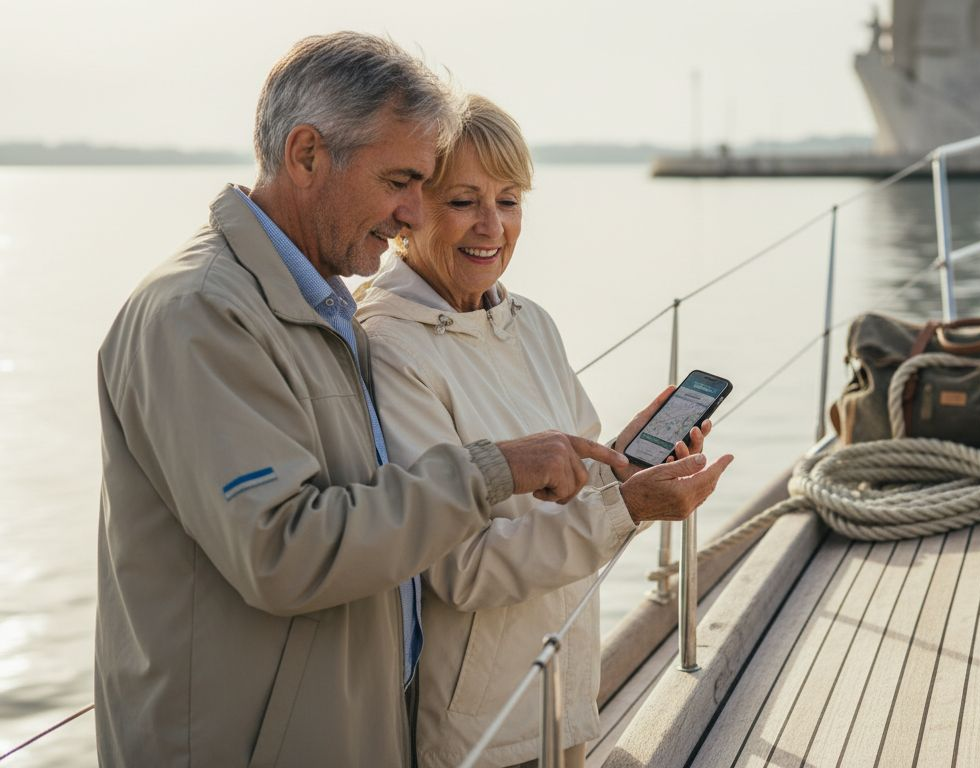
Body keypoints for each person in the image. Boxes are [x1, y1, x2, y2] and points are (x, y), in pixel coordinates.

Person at [95, 33, 724, 768]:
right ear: (307, 155)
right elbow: (284, 552)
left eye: (431, 187)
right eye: (403, 181)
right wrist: (509, 473)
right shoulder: (201, 314)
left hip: (355, 729)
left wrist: (613, 469)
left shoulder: (320, 310)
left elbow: (371, 519)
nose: (411, 213)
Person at [355, 95, 732, 767]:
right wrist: (628, 506)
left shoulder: (529, 322)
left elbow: (576, 488)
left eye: (509, 200)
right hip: (481, 727)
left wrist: (623, 463)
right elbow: (460, 569)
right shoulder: (390, 348)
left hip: (564, 685)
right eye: (464, 201)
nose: (492, 226)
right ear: (409, 212)